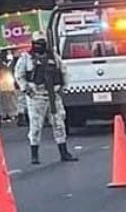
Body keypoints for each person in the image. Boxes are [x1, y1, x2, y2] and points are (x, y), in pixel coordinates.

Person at [15, 33, 77, 164]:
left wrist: (63, 88)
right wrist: (26, 89)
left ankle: (64, 152)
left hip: (53, 96)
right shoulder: (26, 58)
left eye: (41, 43)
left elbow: (63, 71)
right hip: (36, 96)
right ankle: (34, 154)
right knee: (36, 126)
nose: (39, 46)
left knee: (59, 124)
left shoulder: (53, 56)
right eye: (37, 43)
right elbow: (19, 75)